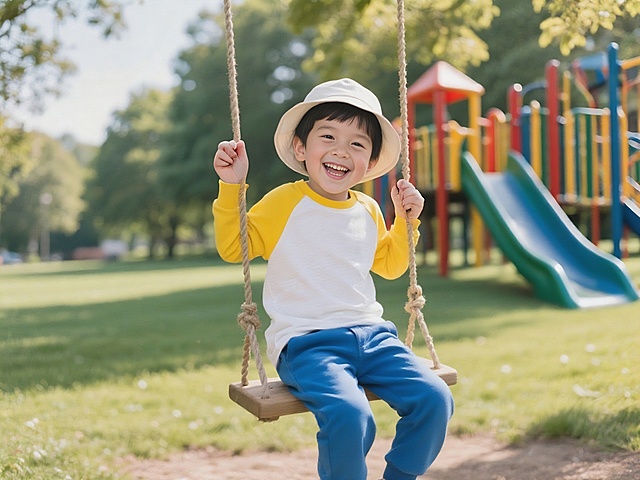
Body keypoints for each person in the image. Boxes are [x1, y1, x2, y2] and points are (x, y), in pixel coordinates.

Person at [213, 78, 453, 480]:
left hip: (375, 337)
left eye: (358, 144)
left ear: (370, 162)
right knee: (351, 415)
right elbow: (235, 248)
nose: (342, 150)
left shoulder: (369, 209)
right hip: (309, 344)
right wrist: (231, 185)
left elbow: (391, 265)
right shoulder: (284, 203)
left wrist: (406, 222)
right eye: (328, 136)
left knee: (434, 399)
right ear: (302, 148)